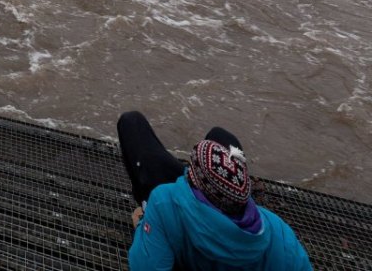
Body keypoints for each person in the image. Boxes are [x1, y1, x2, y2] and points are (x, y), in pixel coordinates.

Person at [117, 111, 312, 270]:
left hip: (177, 216)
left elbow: (145, 266)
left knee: (131, 123)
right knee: (220, 136)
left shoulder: (164, 202)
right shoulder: (278, 232)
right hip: (224, 214)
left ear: (192, 177)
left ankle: (144, 207)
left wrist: (146, 222)